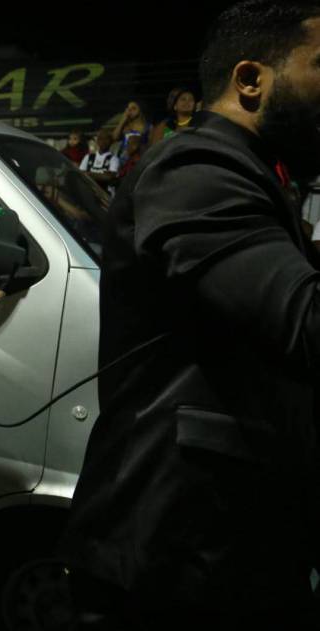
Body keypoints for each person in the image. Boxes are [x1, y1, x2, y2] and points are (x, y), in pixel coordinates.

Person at [64, 1, 320, 628]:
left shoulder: (257, 174)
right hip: (176, 555)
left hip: (231, 554)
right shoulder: (196, 169)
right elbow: (306, 320)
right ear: (251, 79)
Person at [79, 128, 121, 196]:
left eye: (106, 138)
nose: (103, 141)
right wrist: (101, 175)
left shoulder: (114, 159)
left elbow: (109, 177)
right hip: (89, 193)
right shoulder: (88, 157)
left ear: (111, 141)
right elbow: (80, 175)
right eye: (100, 138)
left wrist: (88, 174)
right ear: (97, 141)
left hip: (106, 195)